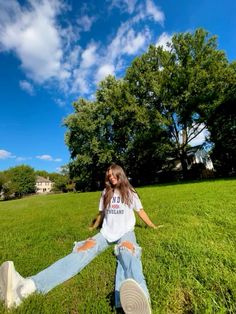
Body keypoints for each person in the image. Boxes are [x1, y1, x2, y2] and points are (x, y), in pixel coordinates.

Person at [0, 164, 159, 314]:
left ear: (120, 174)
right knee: (83, 250)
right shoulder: (105, 193)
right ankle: (26, 287)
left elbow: (141, 211)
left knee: (127, 252)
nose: (110, 177)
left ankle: (139, 299)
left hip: (125, 231)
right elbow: (102, 214)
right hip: (106, 233)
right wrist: (94, 227)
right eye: (108, 175)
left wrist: (153, 226)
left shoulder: (130, 191)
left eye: (113, 174)